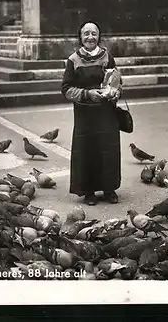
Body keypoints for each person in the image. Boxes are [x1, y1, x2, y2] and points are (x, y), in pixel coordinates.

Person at [61, 21, 123, 206]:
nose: (90, 37)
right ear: (80, 37)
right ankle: (88, 191)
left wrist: (114, 92)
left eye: (94, 34)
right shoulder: (73, 60)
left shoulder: (107, 57)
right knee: (87, 151)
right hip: (84, 114)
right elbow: (65, 89)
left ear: (99, 36)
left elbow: (116, 81)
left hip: (106, 112)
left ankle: (109, 189)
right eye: (86, 34)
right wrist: (87, 94)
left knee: (108, 149)